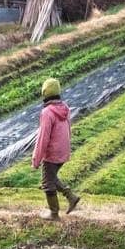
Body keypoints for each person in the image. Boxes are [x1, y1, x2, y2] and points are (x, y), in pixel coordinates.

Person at [32, 77, 81, 220]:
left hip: (52, 153)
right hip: (63, 150)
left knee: (47, 183)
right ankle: (71, 197)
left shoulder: (47, 113)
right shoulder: (64, 107)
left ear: (45, 93)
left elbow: (43, 137)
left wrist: (36, 158)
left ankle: (54, 214)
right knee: (52, 177)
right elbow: (68, 129)